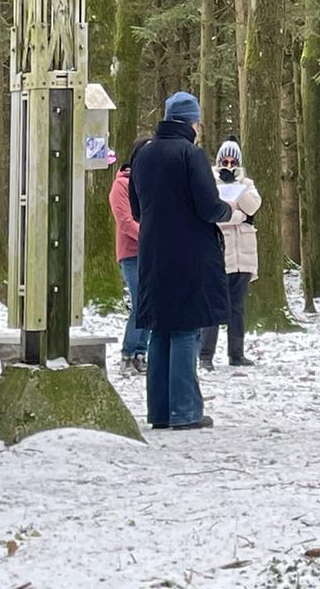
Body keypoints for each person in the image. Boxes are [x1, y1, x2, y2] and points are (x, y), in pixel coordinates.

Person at [129, 91, 232, 431]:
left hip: (153, 251)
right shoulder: (191, 154)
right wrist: (228, 210)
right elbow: (208, 206)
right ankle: (186, 411)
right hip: (189, 251)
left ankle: (160, 412)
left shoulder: (143, 154)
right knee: (187, 328)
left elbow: (136, 208)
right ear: (192, 122)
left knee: (160, 329)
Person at [199, 140, 262, 371]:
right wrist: (238, 216)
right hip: (220, 254)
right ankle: (205, 356)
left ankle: (236, 354)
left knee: (237, 308)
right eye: (225, 161)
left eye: (233, 161)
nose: (229, 165)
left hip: (243, 256)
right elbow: (216, 215)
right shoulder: (209, 183)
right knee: (213, 307)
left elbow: (252, 207)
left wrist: (237, 187)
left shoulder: (247, 184)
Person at [109, 136, 151, 375]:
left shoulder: (153, 182)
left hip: (152, 252)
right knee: (140, 302)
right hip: (132, 252)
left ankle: (140, 353)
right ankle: (128, 353)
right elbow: (125, 222)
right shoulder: (121, 185)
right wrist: (150, 237)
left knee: (150, 303)